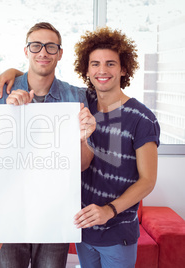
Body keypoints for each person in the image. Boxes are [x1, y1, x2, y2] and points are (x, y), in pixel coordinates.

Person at [0, 22, 96, 268]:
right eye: (36, 46)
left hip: (55, 210)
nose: (43, 52)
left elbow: (81, 164)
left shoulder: (76, 97)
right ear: (26, 51)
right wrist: (9, 114)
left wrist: (84, 137)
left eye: (50, 46)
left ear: (60, 53)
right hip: (9, 210)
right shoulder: (0, 94)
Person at [71, 27, 160, 268]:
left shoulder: (142, 118)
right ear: (86, 69)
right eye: (95, 64)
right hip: (83, 230)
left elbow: (147, 181)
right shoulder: (82, 106)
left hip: (117, 234)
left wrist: (109, 210)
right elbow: (46, 84)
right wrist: (13, 72)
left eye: (110, 64)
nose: (102, 70)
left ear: (123, 69)